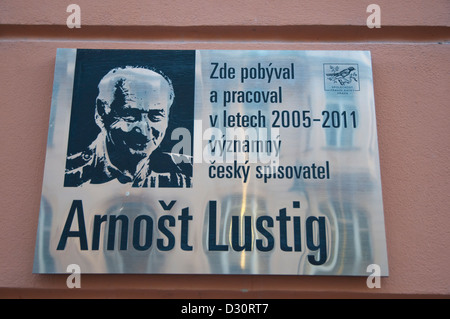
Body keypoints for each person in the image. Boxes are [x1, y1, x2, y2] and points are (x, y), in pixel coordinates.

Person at [64, 66, 192, 188]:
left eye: (156, 115)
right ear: (101, 113)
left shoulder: (189, 174)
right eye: (130, 115)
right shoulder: (70, 175)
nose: (144, 131)